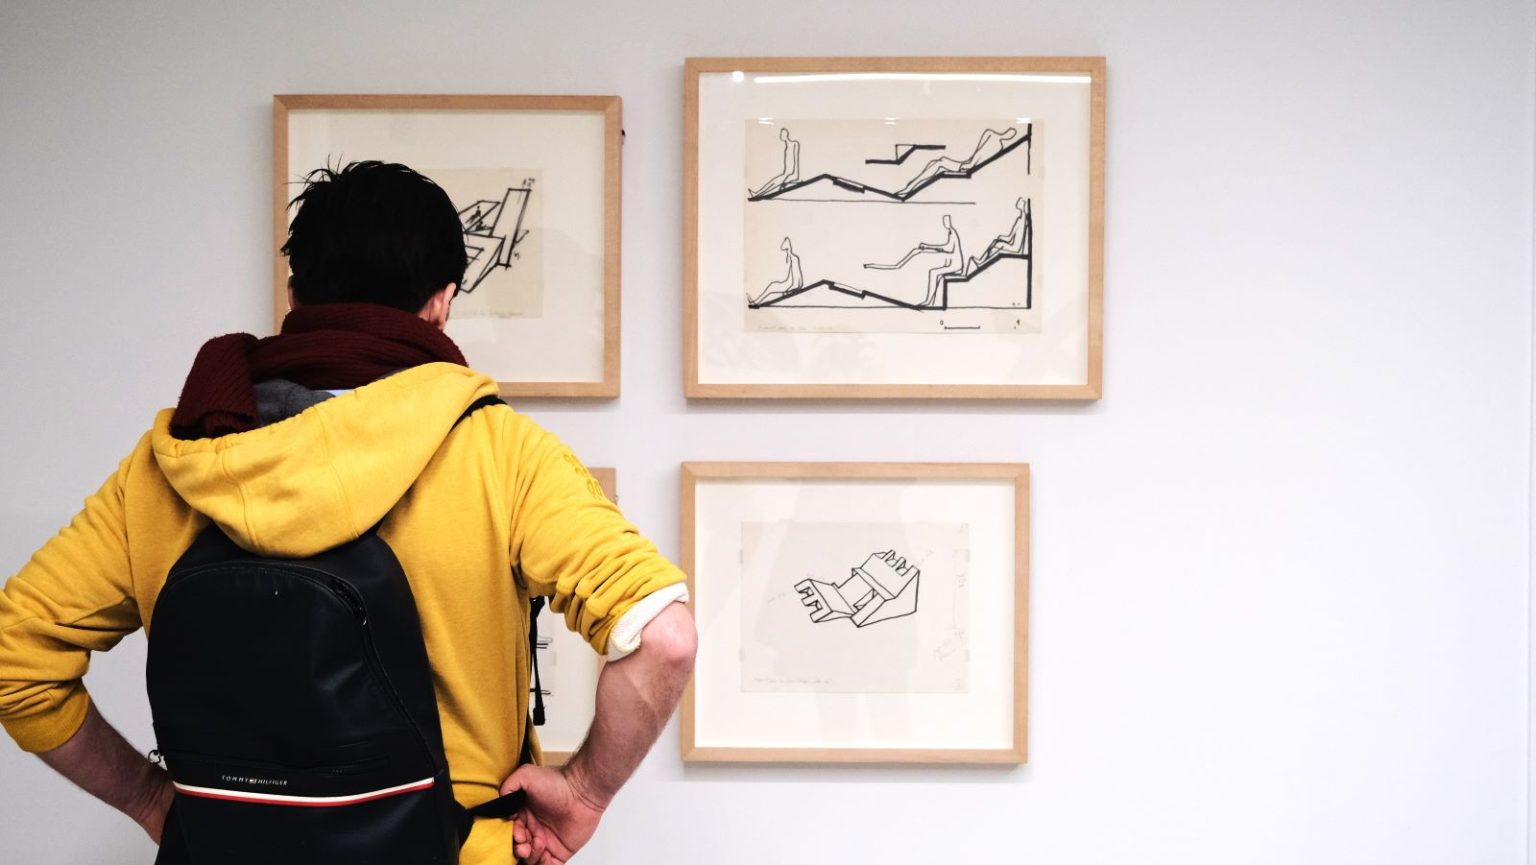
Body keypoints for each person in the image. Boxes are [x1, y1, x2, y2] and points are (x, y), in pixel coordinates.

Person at [0, 161, 697, 865]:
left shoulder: (171, 464)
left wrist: (152, 801)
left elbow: (14, 659)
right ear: (442, 303)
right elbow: (664, 637)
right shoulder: (498, 452)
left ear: (295, 292)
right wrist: (584, 793)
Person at [863, 213, 965, 307]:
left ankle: (928, 301)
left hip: (956, 265)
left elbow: (949, 248)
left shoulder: (952, 233)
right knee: (934, 272)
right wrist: (926, 248)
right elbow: (946, 249)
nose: (945, 223)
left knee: (934, 273)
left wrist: (928, 246)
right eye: (944, 221)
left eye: (947, 221)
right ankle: (931, 301)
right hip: (951, 263)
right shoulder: (950, 232)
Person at [894, 126, 1019, 198]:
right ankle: (911, 185)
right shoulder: (992, 135)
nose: (1008, 134)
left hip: (967, 167)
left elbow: (977, 160)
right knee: (936, 161)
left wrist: (969, 164)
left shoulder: (996, 144)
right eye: (1009, 131)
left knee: (939, 163)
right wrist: (969, 161)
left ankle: (909, 188)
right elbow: (978, 150)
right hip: (966, 163)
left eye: (1011, 134)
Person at [747, 236, 804, 306]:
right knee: (772, 285)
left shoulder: (794, 258)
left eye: (784, 242)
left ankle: (755, 302)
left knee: (772, 287)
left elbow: (796, 283)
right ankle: (755, 302)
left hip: (790, 285)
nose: (783, 244)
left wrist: (788, 291)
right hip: (788, 284)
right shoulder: (791, 257)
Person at [748, 127, 800, 198]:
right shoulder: (786, 148)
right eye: (780, 134)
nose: (780, 135)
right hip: (786, 174)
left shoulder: (794, 144)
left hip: (790, 174)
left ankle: (758, 193)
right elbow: (786, 171)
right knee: (776, 180)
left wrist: (788, 181)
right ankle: (758, 193)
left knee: (778, 180)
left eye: (782, 133)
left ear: (786, 134)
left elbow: (795, 171)